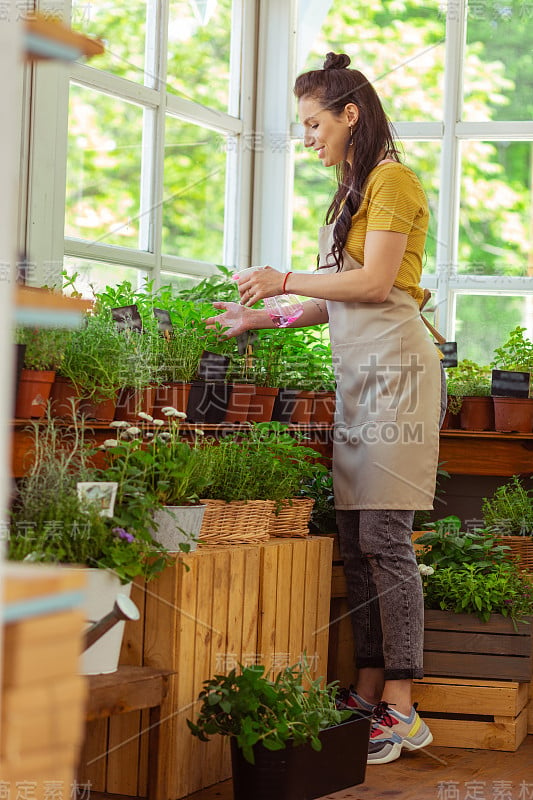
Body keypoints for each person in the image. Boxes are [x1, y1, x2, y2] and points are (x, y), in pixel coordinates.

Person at [205, 51, 446, 765]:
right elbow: (339, 292)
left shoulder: (392, 179)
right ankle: (370, 690)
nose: (306, 137)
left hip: (398, 372)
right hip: (359, 374)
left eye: (313, 124)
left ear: (350, 115)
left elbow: (374, 284)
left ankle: (402, 709)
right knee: (355, 541)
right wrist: (268, 315)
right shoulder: (350, 191)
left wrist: (278, 274)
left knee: (384, 539)